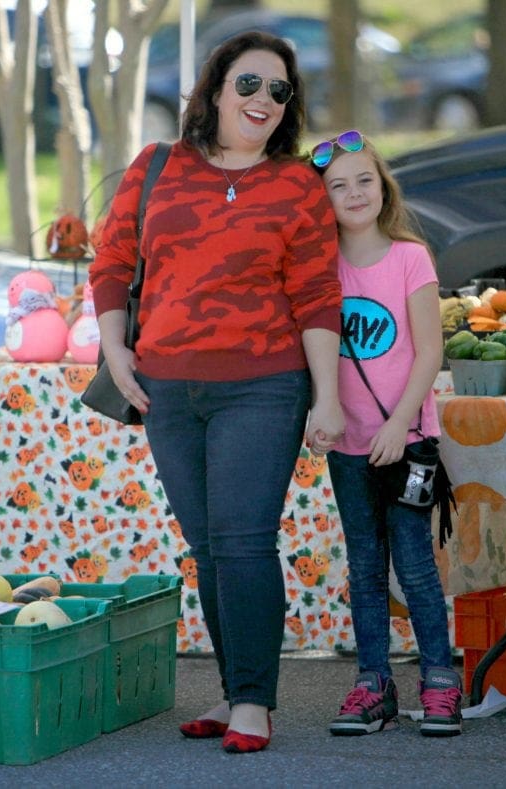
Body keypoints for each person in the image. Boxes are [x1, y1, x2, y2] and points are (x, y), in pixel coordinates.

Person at [89, 32, 344, 754]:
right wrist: (116, 351)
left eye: (279, 90)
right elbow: (111, 262)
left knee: (241, 540)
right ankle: (237, 694)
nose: (263, 99)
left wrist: (327, 395)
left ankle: (255, 704)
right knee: (207, 545)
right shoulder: (157, 164)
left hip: (263, 386)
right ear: (215, 88)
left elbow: (318, 295)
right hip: (166, 388)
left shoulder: (296, 183)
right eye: (249, 83)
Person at [310, 130, 462, 737]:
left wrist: (400, 424)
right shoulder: (319, 268)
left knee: (416, 567)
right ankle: (372, 685)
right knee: (365, 566)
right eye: (337, 185)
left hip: (408, 442)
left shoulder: (408, 257)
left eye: (363, 180)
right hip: (349, 449)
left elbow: (430, 352)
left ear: (383, 186)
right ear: (322, 199)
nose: (353, 193)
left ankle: (439, 681)